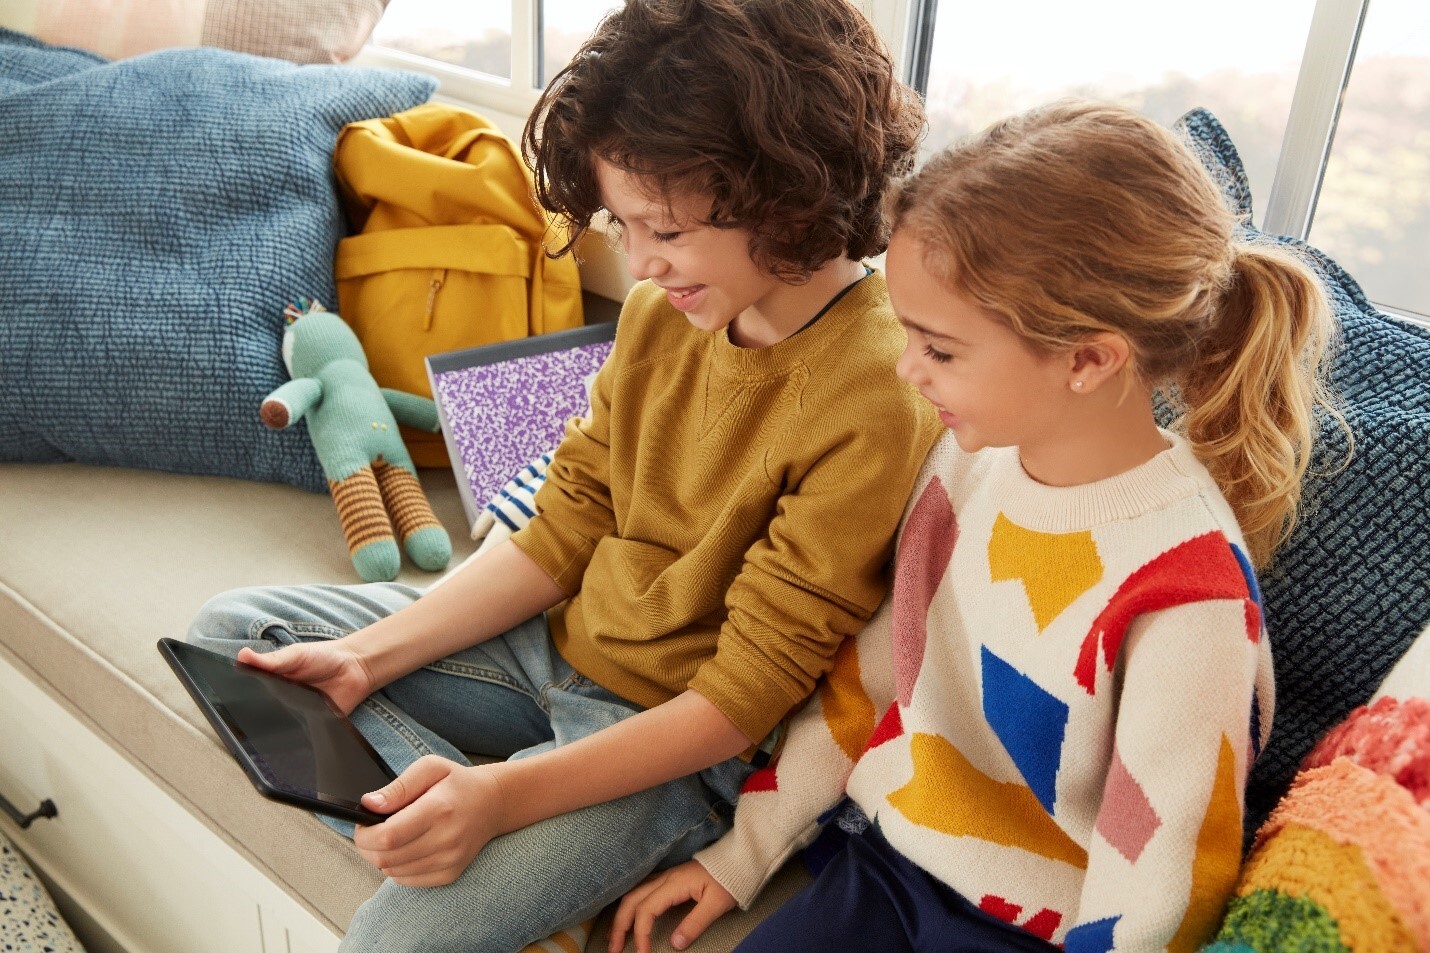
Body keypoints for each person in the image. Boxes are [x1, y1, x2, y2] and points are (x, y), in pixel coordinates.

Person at [186, 1, 939, 951]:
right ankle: (460, 806)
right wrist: (366, 660)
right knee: (234, 640)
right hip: (544, 649)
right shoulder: (668, 311)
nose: (640, 262)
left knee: (396, 940)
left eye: (663, 229)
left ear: (787, 192)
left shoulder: (877, 392)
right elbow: (566, 521)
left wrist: (501, 798)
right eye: (624, 224)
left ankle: (493, 812)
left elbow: (741, 697)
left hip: (669, 742)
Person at [610, 100, 1348, 953]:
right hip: (887, 869)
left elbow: (1162, 884)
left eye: (940, 349)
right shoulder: (963, 465)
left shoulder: (1190, 599)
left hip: (1044, 932)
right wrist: (743, 852)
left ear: (1089, 360)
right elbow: (867, 686)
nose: (905, 368)